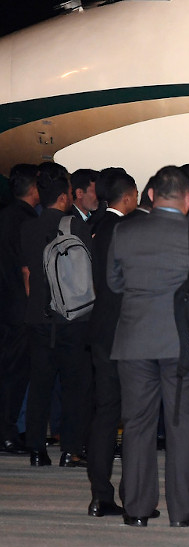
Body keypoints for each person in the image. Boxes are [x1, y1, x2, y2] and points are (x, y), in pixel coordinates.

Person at [108, 166, 189, 527]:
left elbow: (113, 283)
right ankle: (181, 512)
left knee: (136, 426)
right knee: (182, 427)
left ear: (150, 195)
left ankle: (136, 509)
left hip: (133, 340)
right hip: (180, 343)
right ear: (188, 197)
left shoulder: (124, 230)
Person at [20, 162, 92, 469]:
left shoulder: (28, 227)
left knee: (40, 384)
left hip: (38, 316)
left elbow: (26, 275)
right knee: (75, 386)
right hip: (71, 319)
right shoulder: (75, 226)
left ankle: (37, 450)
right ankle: (70, 449)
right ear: (64, 197)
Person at [85, 169, 138, 518]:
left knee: (105, 415)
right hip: (127, 333)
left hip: (99, 330)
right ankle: (131, 496)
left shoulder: (95, 227)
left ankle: (100, 496)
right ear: (128, 195)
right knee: (134, 417)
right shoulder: (126, 230)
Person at [0, 164, 38, 455]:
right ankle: (8, 433)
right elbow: (28, 270)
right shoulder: (26, 220)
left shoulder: (5, 215)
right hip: (19, 308)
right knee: (15, 375)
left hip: (5, 305)